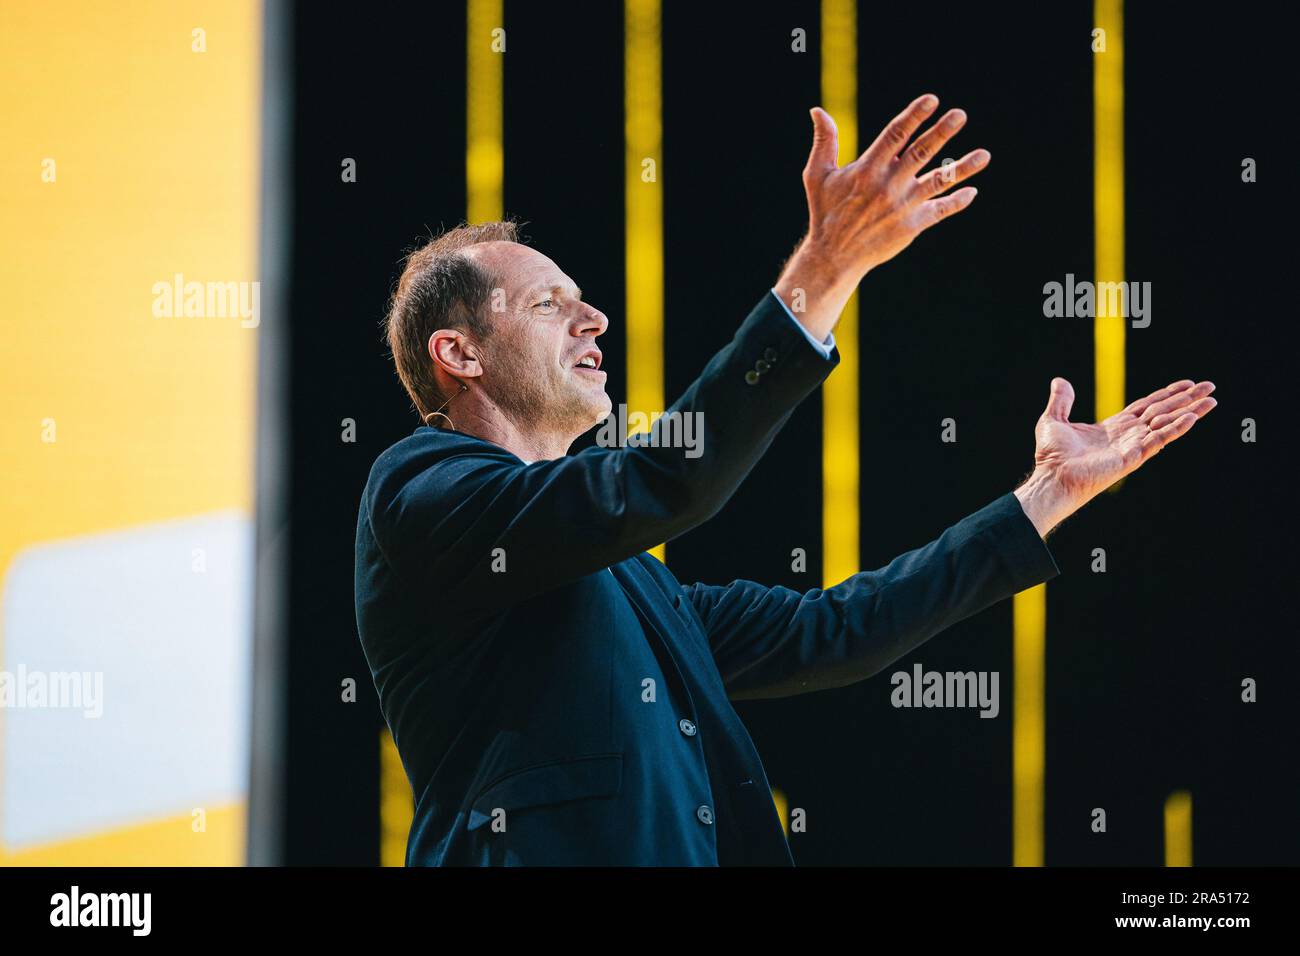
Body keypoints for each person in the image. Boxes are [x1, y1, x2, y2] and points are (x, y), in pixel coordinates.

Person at [354, 95, 1216, 865]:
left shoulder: (630, 581)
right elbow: (659, 484)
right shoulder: (420, 489)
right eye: (547, 305)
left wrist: (1048, 495)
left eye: (581, 299)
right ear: (459, 354)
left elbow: (834, 629)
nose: (595, 318)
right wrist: (823, 272)